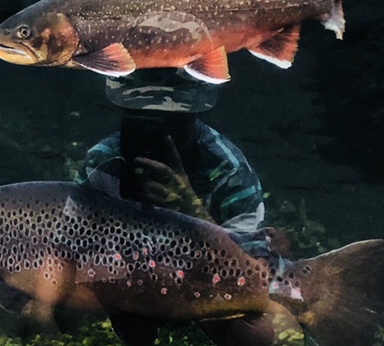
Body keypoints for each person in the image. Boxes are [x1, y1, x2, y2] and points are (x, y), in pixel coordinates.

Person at [75, 74, 273, 255]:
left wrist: (191, 210)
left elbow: (252, 270)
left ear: (193, 117)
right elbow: (72, 244)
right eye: (140, 121)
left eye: (172, 123)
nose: (151, 137)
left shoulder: (229, 173)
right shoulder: (102, 163)